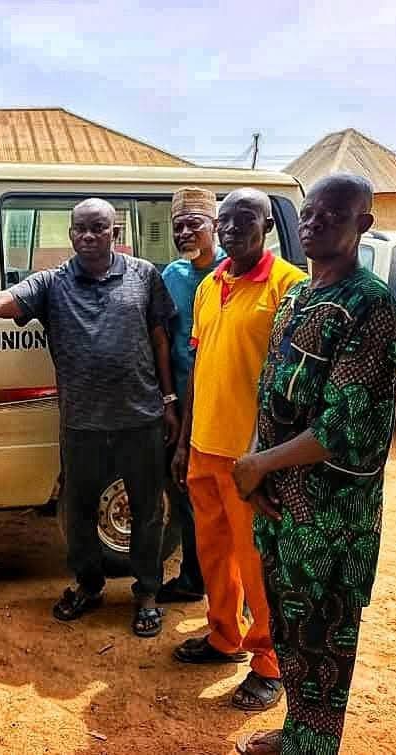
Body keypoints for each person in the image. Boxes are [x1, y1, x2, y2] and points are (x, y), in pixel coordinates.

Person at [0, 198, 179, 638]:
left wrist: (168, 399)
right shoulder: (52, 283)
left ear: (114, 233)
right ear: (69, 234)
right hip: (81, 423)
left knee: (147, 512)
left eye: (98, 228)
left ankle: (146, 595)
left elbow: (160, 337)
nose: (88, 236)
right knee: (80, 512)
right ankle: (89, 587)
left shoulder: (144, 275)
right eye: (80, 229)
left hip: (139, 417)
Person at [233, 175, 396, 755]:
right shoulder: (299, 296)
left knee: (324, 631)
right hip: (281, 500)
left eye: (334, 214)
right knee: (287, 624)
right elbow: (272, 391)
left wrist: (258, 463)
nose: (314, 222)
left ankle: (314, 744)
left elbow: (343, 428)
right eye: (309, 213)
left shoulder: (372, 305)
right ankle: (299, 730)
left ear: (363, 224)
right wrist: (259, 476)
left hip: (330, 513)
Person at [171, 188, 307, 710]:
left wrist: (270, 460)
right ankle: (224, 636)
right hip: (205, 447)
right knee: (213, 556)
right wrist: (185, 441)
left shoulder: (289, 288)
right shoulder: (210, 286)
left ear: (267, 225)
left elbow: (295, 385)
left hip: (252, 459)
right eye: (223, 220)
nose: (230, 228)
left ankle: (270, 663)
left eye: (243, 219)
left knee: (258, 566)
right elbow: (201, 372)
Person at [156, 187, 220, 604]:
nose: (185, 232)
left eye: (194, 223)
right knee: (186, 496)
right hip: (182, 400)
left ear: (215, 226)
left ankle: (235, 592)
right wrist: (169, 402)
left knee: (229, 501)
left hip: (225, 404)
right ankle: (194, 577)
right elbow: (162, 339)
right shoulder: (172, 277)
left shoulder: (232, 274)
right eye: (178, 226)